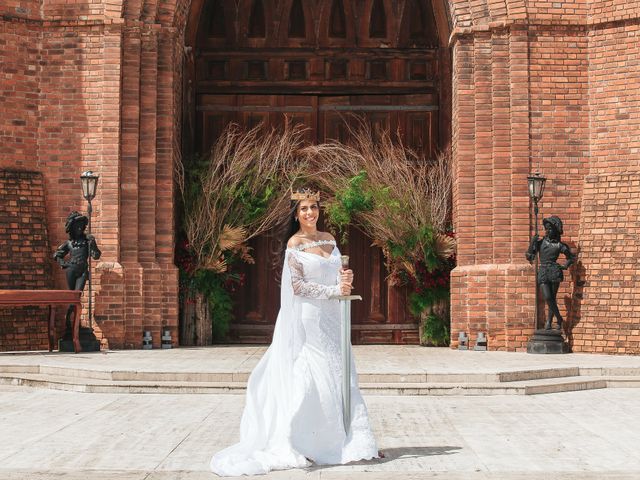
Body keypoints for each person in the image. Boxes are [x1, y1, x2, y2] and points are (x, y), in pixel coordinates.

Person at [210, 188, 379, 476]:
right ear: (296, 214)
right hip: (311, 315)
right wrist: (332, 290)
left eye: (313, 207)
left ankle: (351, 439)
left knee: (341, 368)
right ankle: (311, 440)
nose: (310, 213)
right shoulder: (294, 244)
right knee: (318, 369)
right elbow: (298, 287)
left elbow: (335, 274)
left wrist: (345, 279)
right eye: (304, 209)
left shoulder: (329, 239)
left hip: (335, 313)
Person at [525, 215, 576, 331]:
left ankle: (549, 322)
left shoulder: (560, 245)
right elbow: (530, 256)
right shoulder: (540, 243)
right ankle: (559, 318)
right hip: (543, 271)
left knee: (552, 297)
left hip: (554, 271)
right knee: (548, 297)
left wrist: (565, 265)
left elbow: (570, 257)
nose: (548, 231)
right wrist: (532, 242)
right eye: (547, 228)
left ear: (555, 230)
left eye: (550, 229)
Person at [53, 211, 101, 331]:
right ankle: (70, 323)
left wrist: (93, 244)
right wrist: (63, 263)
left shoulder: (87, 241)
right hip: (71, 270)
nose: (79, 228)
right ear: (72, 228)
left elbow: (96, 255)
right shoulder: (69, 243)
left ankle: (75, 324)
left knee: (76, 296)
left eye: (81, 225)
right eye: (76, 226)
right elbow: (57, 255)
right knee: (72, 297)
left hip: (82, 270)